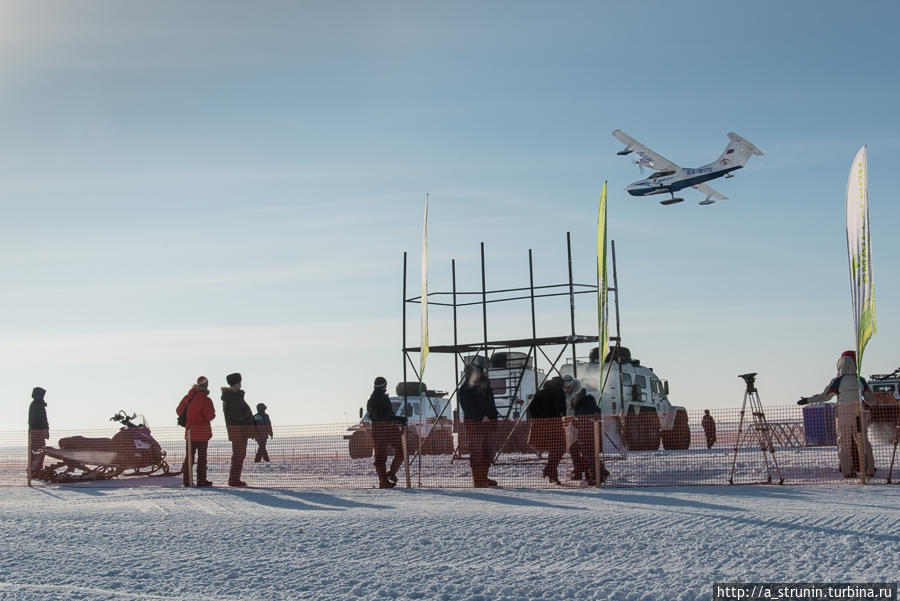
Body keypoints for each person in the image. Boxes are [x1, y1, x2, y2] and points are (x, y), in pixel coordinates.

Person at [798, 350, 876, 478]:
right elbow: (872, 400)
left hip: (843, 414)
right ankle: (870, 469)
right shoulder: (860, 380)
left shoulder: (837, 381)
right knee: (863, 443)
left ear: (840, 365)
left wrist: (807, 400)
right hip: (859, 414)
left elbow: (825, 397)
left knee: (844, 443)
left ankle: (847, 471)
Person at [458, 355, 499, 487]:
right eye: (479, 371)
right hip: (474, 424)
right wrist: (480, 417)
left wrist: (493, 416)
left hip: (489, 423)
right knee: (477, 451)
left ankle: (484, 477)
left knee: (488, 451)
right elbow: (467, 407)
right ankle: (478, 480)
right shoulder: (465, 389)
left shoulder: (485, 387)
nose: (481, 373)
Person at [367, 377, 407, 488]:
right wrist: (395, 419)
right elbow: (379, 416)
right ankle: (383, 482)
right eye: (385, 386)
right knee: (380, 457)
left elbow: (388, 415)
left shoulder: (383, 398)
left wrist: (398, 419)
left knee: (402, 450)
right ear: (383, 386)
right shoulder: (373, 400)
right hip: (380, 430)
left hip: (390, 428)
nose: (386, 388)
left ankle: (391, 472)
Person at [176, 376, 216, 487]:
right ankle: (201, 480)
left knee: (189, 457)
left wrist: (190, 417)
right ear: (206, 385)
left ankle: (187, 480)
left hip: (190, 433)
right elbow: (210, 416)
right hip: (202, 433)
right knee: (202, 458)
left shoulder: (187, 398)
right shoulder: (206, 400)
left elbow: (179, 411)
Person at [527, 377, 566, 484]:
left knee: (553, 450)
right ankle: (550, 471)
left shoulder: (540, 393)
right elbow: (563, 410)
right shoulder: (560, 393)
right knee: (558, 449)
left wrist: (537, 419)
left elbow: (530, 408)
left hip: (541, 426)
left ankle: (550, 471)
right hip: (556, 425)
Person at [222, 372, 255, 487]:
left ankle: (235, 479)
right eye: (239, 382)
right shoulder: (233, 398)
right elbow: (236, 415)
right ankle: (234, 479)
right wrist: (247, 414)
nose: (240, 384)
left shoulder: (233, 397)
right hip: (238, 430)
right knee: (239, 455)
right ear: (236, 383)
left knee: (239, 454)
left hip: (238, 430)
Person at [28, 387, 49, 475]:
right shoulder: (36, 405)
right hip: (37, 431)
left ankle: (36, 469)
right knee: (37, 451)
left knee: (40, 451)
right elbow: (37, 420)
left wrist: (46, 429)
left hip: (39, 431)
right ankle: (33, 470)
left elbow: (44, 419)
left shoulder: (39, 404)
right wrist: (43, 429)